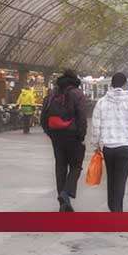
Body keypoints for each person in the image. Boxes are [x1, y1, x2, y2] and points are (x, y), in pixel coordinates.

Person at [91, 73, 128, 212]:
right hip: (125, 146)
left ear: (111, 85)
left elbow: (96, 124)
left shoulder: (102, 102)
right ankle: (117, 210)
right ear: (125, 84)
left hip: (108, 147)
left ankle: (112, 207)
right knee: (121, 179)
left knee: (111, 178)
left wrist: (96, 143)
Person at [40, 69, 88, 212]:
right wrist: (81, 135)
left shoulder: (52, 94)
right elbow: (82, 117)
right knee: (76, 165)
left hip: (56, 136)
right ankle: (65, 193)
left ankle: (63, 204)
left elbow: (43, 117)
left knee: (60, 166)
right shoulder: (77, 94)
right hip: (72, 136)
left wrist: (50, 133)